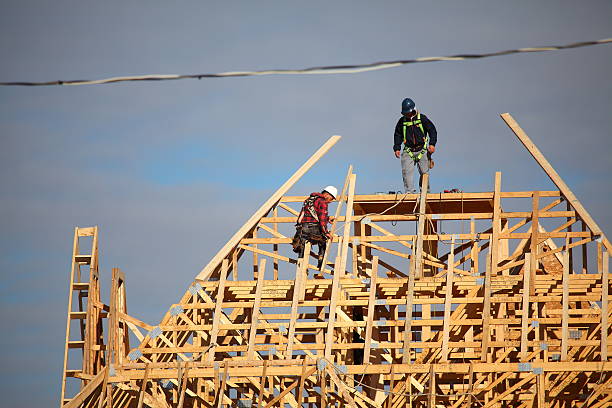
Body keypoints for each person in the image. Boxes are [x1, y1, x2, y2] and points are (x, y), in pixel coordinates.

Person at [393, 98, 437, 193]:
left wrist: (432, 144)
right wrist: (397, 147)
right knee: (406, 173)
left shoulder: (422, 119)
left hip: (422, 150)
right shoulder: (402, 122)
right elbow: (398, 134)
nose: (406, 115)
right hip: (408, 151)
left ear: (413, 110)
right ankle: (409, 193)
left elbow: (432, 130)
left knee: (424, 173)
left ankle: (425, 193)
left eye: (407, 113)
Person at [292, 186, 337, 269]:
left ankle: (301, 263)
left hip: (302, 229)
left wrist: (327, 219)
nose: (331, 201)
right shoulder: (322, 202)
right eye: (331, 198)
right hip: (313, 229)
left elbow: (306, 216)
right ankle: (321, 263)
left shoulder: (308, 200)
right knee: (323, 240)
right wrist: (326, 233)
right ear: (327, 194)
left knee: (303, 245)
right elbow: (322, 220)